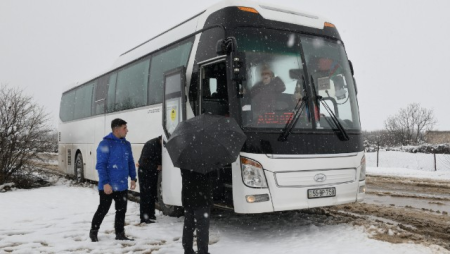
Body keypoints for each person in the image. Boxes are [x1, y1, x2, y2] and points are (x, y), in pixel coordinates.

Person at [89, 118, 137, 242]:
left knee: (121, 210)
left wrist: (133, 178)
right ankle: (93, 232)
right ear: (116, 129)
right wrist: (105, 183)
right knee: (103, 209)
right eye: (124, 128)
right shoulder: (105, 144)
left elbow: (130, 162)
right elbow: (101, 165)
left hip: (121, 185)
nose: (127, 130)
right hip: (108, 185)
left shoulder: (126, 144)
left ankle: (120, 233)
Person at [181, 168, 213, 254]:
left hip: (187, 197)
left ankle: (187, 250)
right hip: (202, 198)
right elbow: (211, 177)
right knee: (202, 227)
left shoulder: (183, 158)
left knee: (188, 226)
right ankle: (202, 251)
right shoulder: (206, 161)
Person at [137, 135, 162, 224]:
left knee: (152, 194)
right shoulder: (151, 145)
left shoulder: (159, 145)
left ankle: (151, 214)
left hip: (152, 172)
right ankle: (144, 217)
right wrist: (156, 166)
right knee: (145, 195)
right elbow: (144, 162)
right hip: (145, 172)